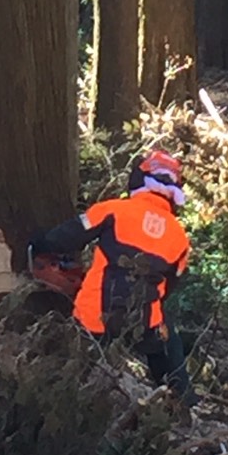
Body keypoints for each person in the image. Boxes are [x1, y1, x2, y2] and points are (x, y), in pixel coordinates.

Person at [30, 149, 193, 399]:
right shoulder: (180, 239)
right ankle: (178, 397)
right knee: (165, 330)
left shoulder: (113, 210)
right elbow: (168, 288)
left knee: (75, 366)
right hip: (142, 327)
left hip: (93, 320)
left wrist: (37, 245)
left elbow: (65, 236)